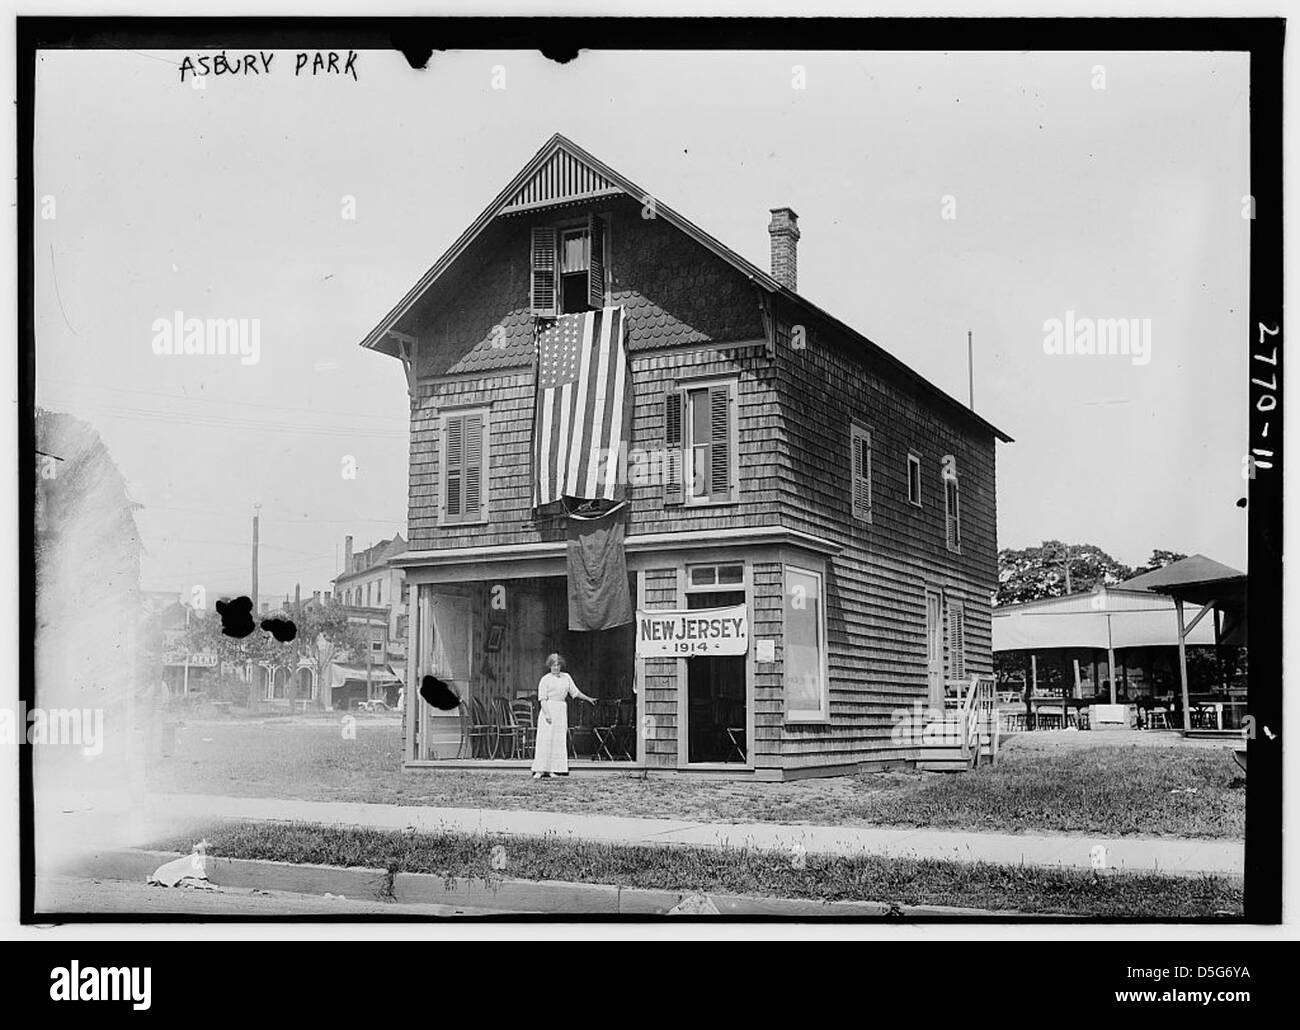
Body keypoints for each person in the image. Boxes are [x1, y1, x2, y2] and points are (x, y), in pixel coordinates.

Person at [532, 653, 595, 779]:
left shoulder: (566, 677)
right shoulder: (545, 679)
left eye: (558, 665)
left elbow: (575, 692)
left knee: (558, 740)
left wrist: (588, 699)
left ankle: (553, 770)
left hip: (561, 710)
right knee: (546, 740)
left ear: (561, 665)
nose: (556, 667)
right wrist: (547, 714)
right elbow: (542, 699)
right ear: (549, 666)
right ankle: (540, 769)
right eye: (553, 665)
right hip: (548, 709)